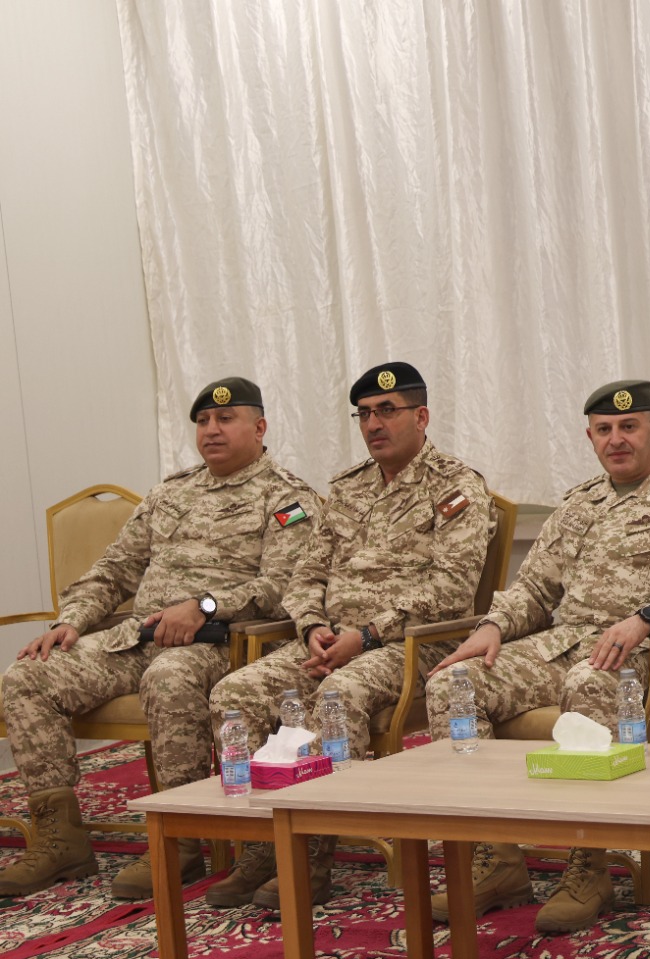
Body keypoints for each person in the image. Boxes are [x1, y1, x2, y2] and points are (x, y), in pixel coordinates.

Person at [423, 379, 650, 932]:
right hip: (565, 644)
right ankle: (494, 859)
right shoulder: (577, 503)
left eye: (629, 427)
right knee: (454, 683)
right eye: (604, 430)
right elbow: (534, 588)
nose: (617, 439)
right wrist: (493, 625)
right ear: (590, 437)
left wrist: (647, 617)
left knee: (589, 682)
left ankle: (588, 866)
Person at [0, 378, 317, 898]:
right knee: (30, 675)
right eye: (203, 421)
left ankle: (179, 838)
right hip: (140, 636)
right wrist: (70, 621)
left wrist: (204, 605)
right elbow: (114, 569)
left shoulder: (288, 498)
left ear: (259, 427)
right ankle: (60, 841)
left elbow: (284, 587)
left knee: (169, 678)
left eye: (226, 419)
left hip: (223, 643)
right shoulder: (171, 493)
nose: (211, 429)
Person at [206, 362, 493, 910]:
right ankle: (263, 847)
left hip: (412, 645)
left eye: (387, 411)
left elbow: (452, 590)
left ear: (421, 416)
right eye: (364, 414)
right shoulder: (346, 489)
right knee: (234, 694)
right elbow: (306, 575)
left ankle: (311, 860)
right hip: (328, 641)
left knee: (339, 695)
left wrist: (367, 634)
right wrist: (312, 626)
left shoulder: (456, 487)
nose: (373, 424)